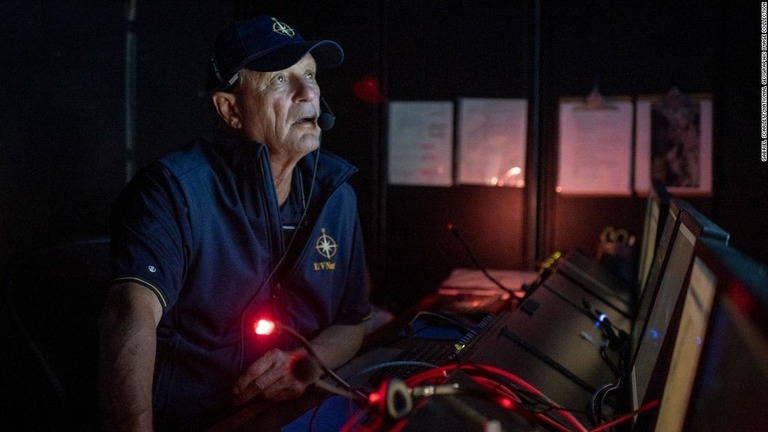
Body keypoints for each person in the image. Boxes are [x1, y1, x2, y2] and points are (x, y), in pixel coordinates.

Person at [98, 15, 372, 431]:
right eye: (279, 80)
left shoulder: (337, 195)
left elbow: (352, 323)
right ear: (230, 110)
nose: (308, 93)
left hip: (289, 416)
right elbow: (128, 312)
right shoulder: (174, 191)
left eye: (310, 74)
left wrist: (306, 364)